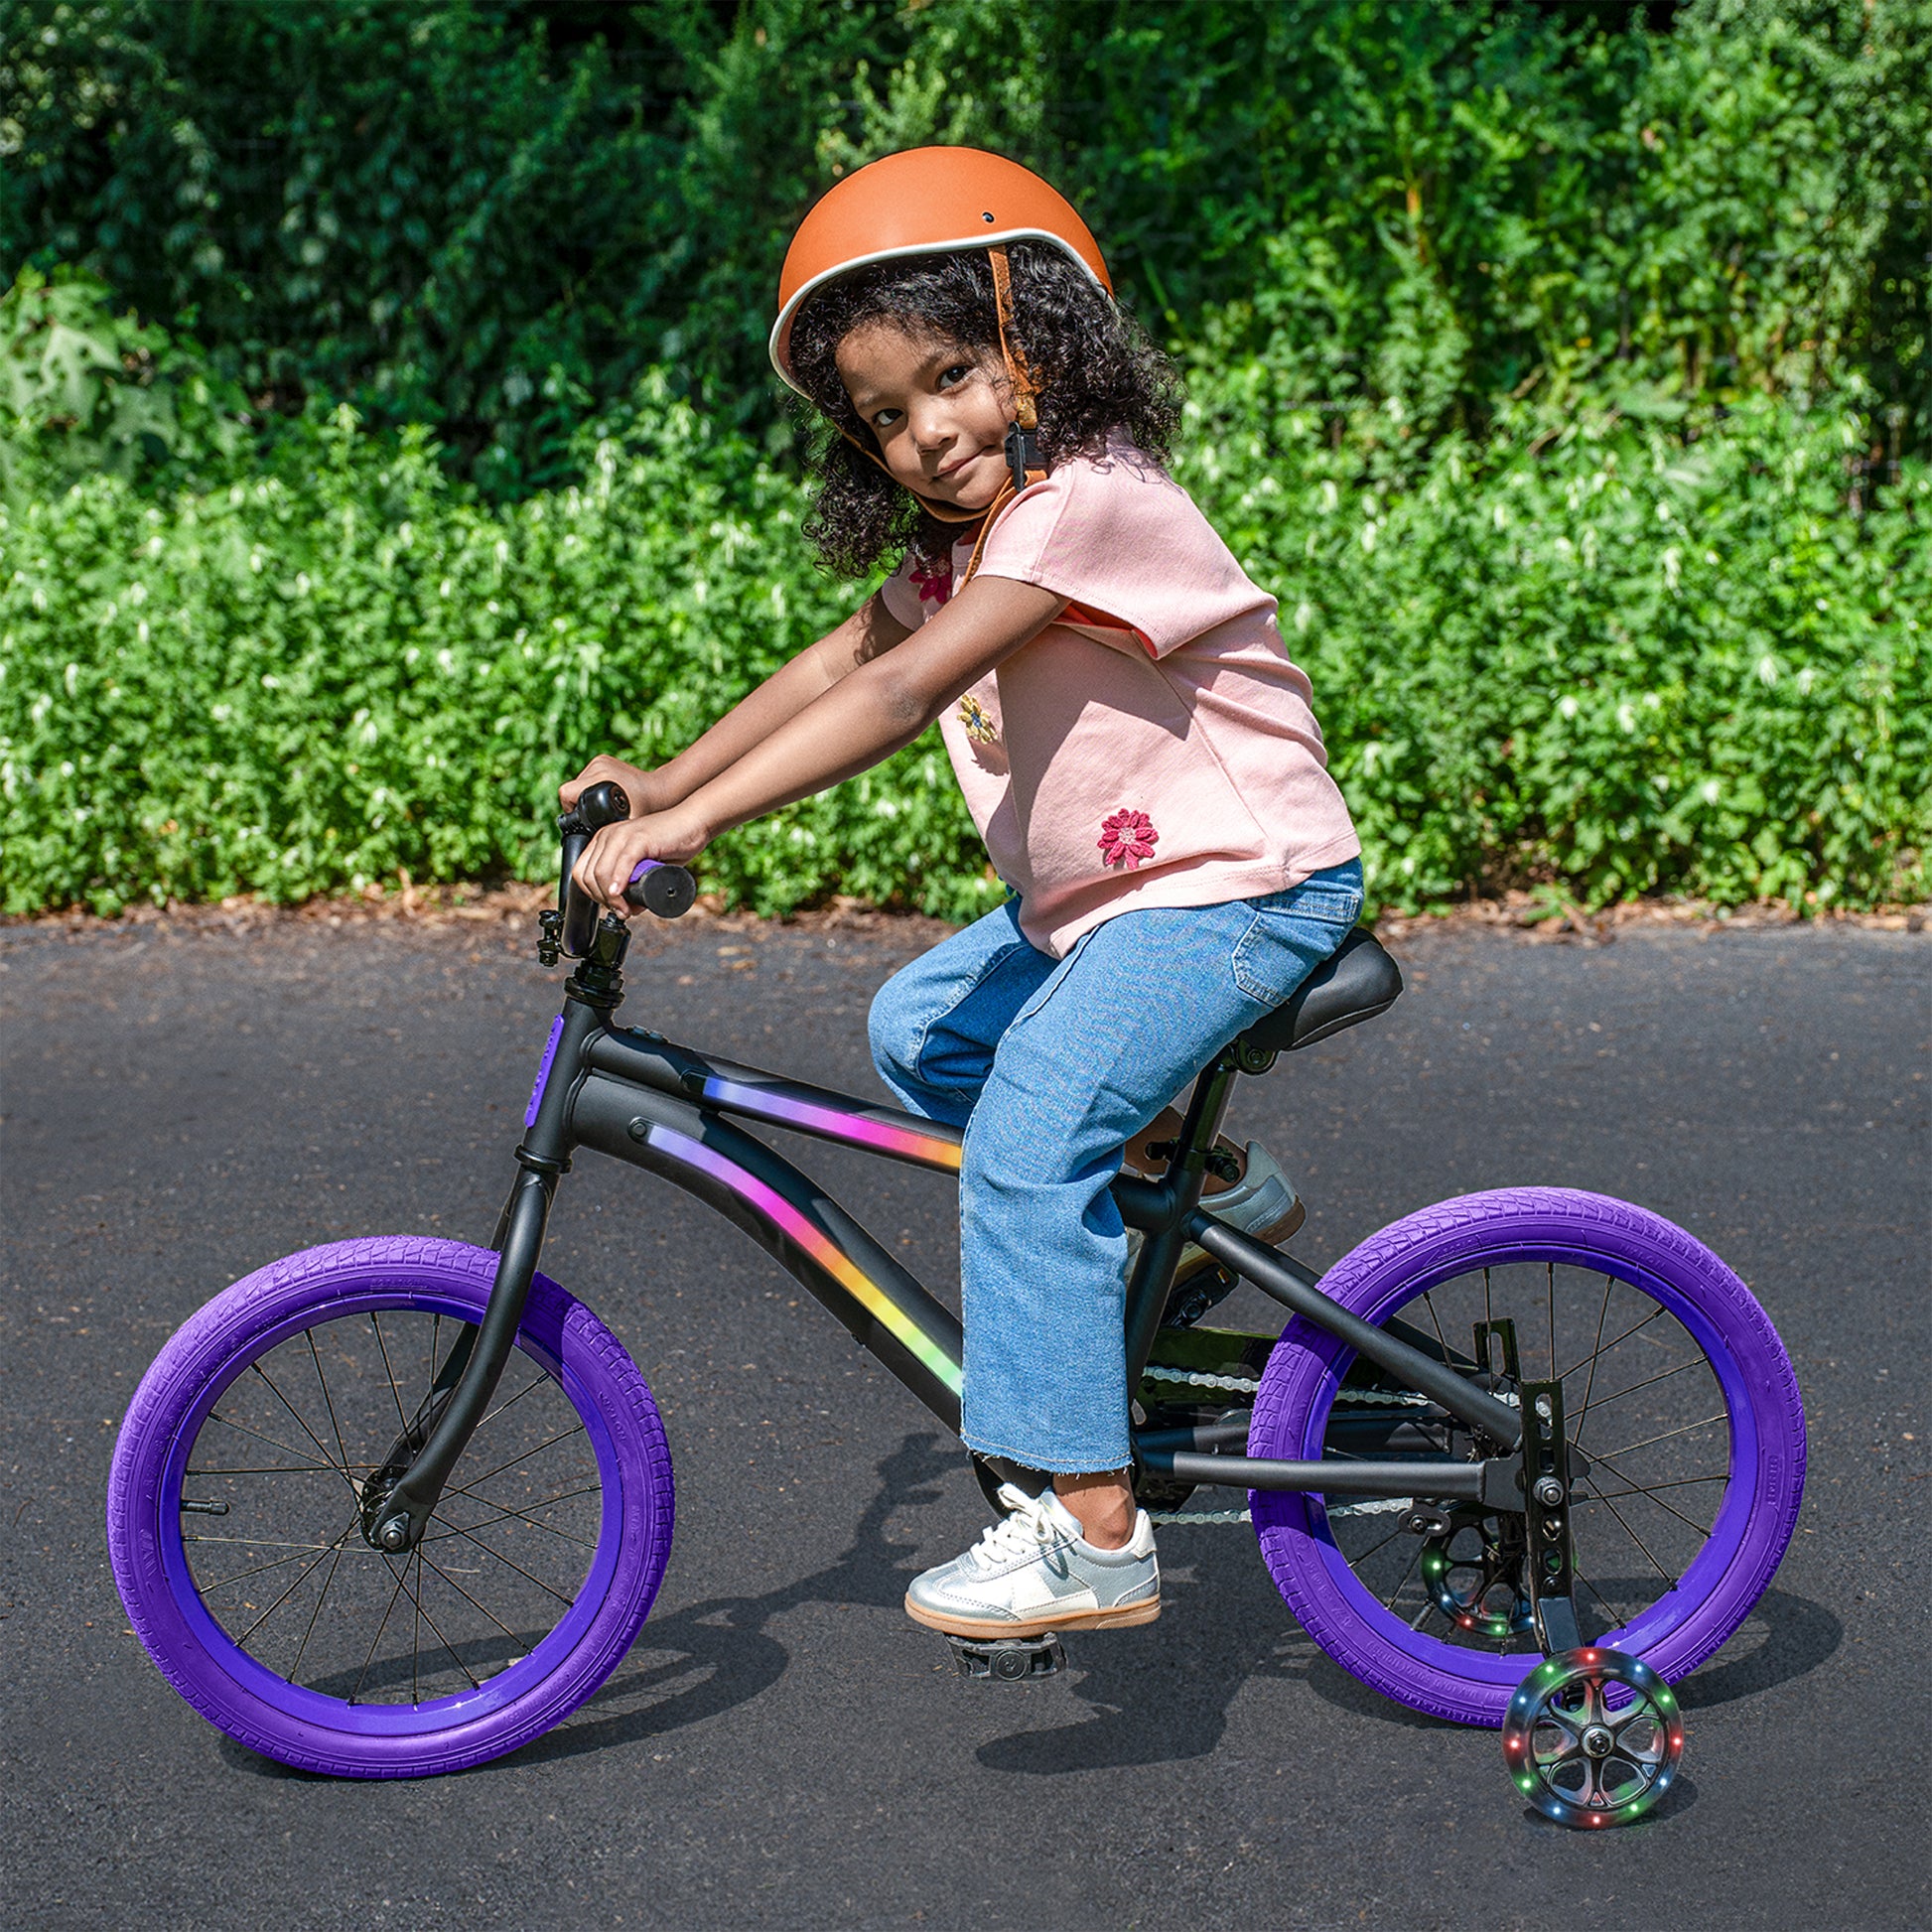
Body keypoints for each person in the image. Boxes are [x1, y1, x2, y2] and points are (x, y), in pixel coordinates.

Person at [564, 147, 1362, 1640]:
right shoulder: (968, 539)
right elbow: (846, 659)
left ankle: (1092, 1526)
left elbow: (906, 692)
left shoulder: (1088, 504)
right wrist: (669, 779)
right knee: (924, 1028)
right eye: (881, 416)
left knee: (1021, 1138)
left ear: (1040, 344)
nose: (925, 433)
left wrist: (709, 824)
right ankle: (1211, 1184)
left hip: (1239, 888)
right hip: (1121, 904)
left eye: (950, 377)